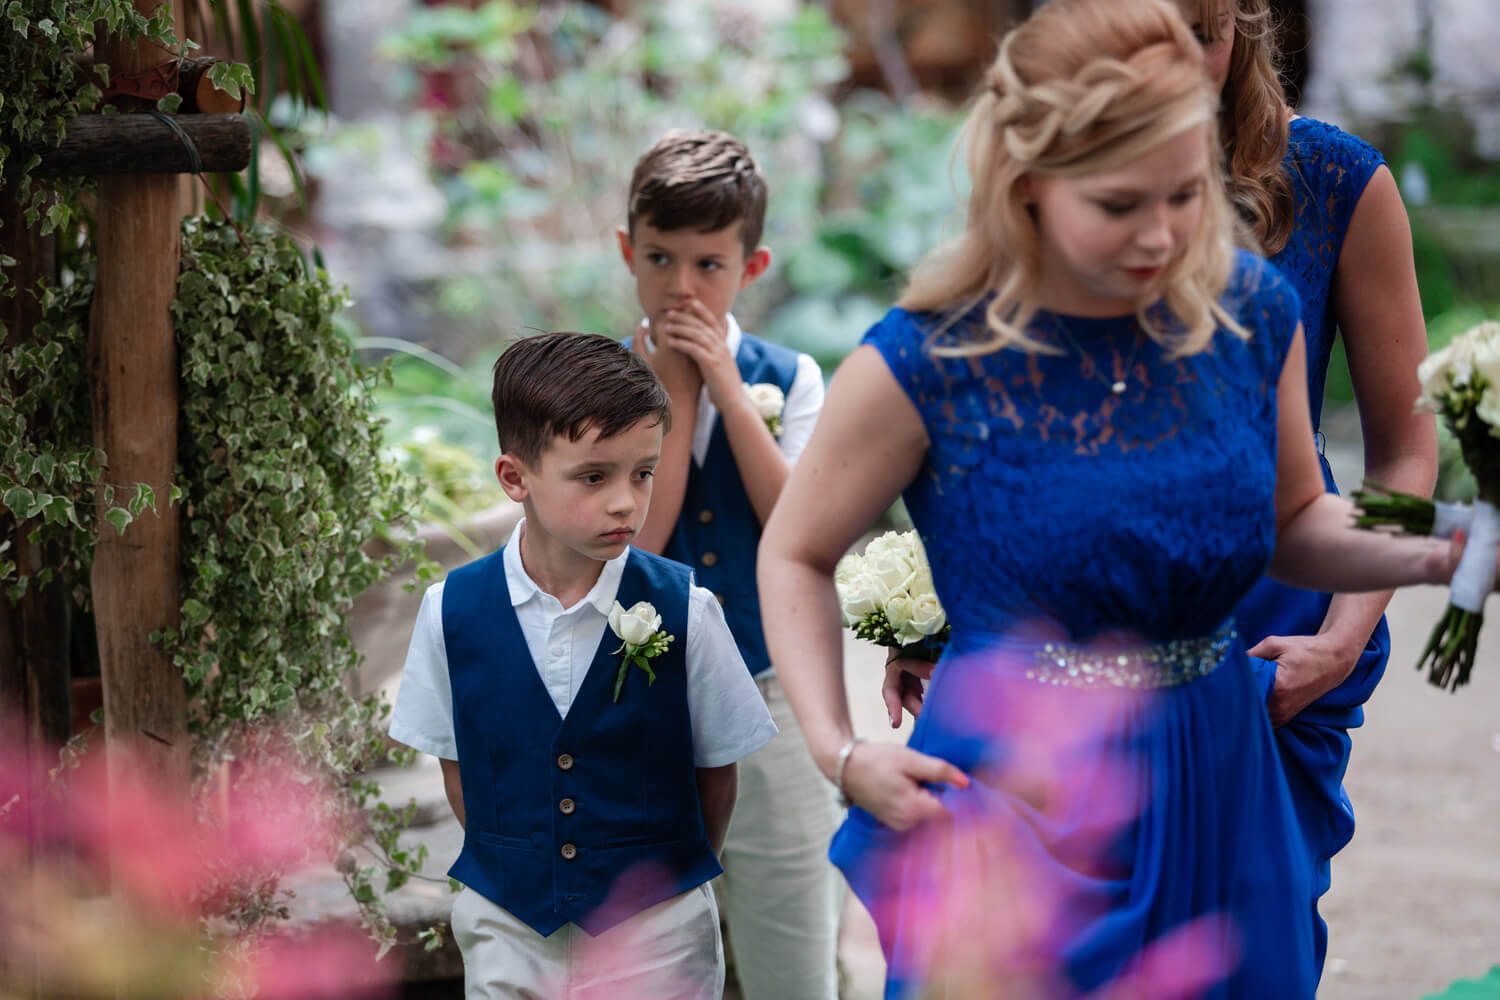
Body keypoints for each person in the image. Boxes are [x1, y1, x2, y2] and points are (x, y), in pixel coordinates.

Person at [755, 1, 1492, 996]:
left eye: (1185, 196)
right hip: (1014, 792)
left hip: (1217, 774)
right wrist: (839, 752)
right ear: (1030, 187)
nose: (1161, 236)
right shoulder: (929, 359)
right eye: (1119, 204)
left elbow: (1297, 524)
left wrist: (1449, 541)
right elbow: (794, 550)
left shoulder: (1250, 312)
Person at [388, 332, 777, 1000]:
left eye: (643, 472)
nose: (626, 501)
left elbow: (718, 776)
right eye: (594, 476)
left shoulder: (688, 609)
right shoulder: (450, 609)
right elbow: (458, 770)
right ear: (515, 477)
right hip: (510, 928)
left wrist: (659, 879)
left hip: (657, 939)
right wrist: (518, 867)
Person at [1174, 0, 1439, 973]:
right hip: (1097, 623)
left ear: (1243, 25)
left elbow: (1406, 453)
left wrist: (1340, 637)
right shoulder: (1043, 179)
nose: (1172, 60)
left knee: (1255, 944)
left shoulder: (1333, 180)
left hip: (1277, 621)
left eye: (1201, 29)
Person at [615, 130, 841, 1000]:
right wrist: (671, 395)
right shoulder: (599, 380)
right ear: (627, 251)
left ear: (752, 267)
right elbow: (637, 543)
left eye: (708, 264)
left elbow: (799, 526)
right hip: (639, 700)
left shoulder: (794, 376)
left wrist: (727, 393)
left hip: (769, 691)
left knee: (790, 939)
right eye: (660, 258)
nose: (681, 286)